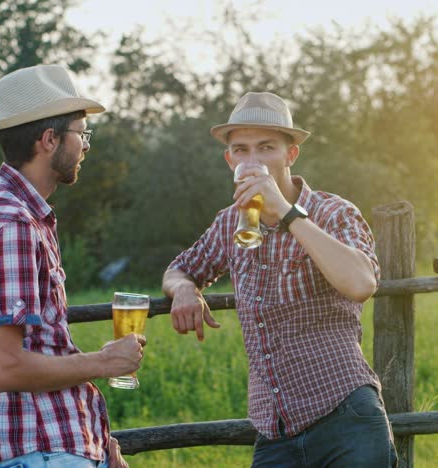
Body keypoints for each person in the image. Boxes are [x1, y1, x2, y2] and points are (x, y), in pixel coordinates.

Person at [162, 92, 397, 467]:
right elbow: (179, 268)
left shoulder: (332, 212)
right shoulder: (230, 222)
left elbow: (361, 284)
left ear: (291, 155)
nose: (252, 161)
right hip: (276, 433)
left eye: (266, 147)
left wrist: (287, 213)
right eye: (241, 150)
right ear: (229, 160)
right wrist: (186, 288)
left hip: (345, 416)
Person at [0, 65, 146, 467]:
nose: (85, 146)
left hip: (52, 446)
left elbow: (41, 344)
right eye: (81, 134)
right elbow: (2, 367)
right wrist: (104, 362)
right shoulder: (11, 224)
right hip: (37, 453)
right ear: (49, 140)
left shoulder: (16, 214)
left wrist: (99, 442)